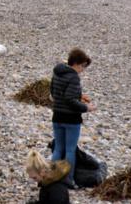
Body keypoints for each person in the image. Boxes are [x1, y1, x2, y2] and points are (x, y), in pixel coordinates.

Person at [50, 48, 96, 186]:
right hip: (71, 119)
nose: (82, 70)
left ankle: (52, 177)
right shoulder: (73, 77)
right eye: (82, 66)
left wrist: (79, 96)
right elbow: (70, 100)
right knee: (70, 150)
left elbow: (55, 93)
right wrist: (87, 108)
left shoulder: (57, 73)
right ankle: (68, 179)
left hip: (57, 116)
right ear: (76, 63)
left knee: (58, 148)